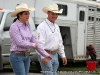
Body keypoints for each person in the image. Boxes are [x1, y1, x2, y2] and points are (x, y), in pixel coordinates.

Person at [9, 3, 52, 75]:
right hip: (17, 56)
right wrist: (32, 44)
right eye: (26, 14)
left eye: (28, 14)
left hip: (26, 56)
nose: (28, 15)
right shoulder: (14, 26)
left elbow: (35, 41)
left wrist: (45, 54)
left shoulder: (27, 26)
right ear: (19, 15)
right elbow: (20, 42)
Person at [36, 4, 67, 75]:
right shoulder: (42, 26)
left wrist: (63, 55)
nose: (55, 16)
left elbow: (59, 42)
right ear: (48, 13)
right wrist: (42, 57)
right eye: (53, 14)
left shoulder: (56, 27)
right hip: (46, 55)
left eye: (56, 14)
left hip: (55, 55)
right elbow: (40, 43)